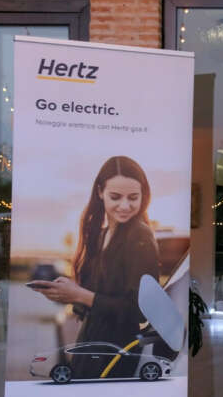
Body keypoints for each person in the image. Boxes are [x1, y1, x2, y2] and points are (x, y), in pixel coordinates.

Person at [36, 156, 160, 364]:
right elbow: (97, 298)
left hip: (117, 355)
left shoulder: (140, 236)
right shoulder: (101, 235)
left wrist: (80, 295)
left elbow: (139, 312)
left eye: (133, 197)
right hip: (91, 347)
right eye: (115, 197)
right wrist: (67, 293)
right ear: (100, 192)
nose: (125, 206)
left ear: (143, 195)